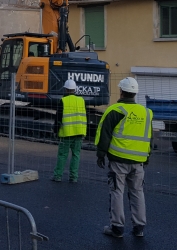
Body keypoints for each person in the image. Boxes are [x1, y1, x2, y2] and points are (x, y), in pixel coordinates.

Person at [95, 77, 153, 238]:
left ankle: (117, 227)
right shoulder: (146, 112)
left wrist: (101, 154)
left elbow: (104, 134)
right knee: (137, 192)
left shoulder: (116, 110)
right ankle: (139, 227)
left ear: (121, 91)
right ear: (135, 93)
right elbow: (149, 137)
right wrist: (147, 156)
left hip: (118, 160)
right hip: (139, 162)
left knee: (117, 192)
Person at [51, 79, 87, 183]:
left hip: (66, 133)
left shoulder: (63, 100)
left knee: (62, 155)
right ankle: (74, 177)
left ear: (66, 89)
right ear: (75, 89)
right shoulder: (81, 100)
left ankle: (58, 176)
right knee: (76, 155)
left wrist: (55, 131)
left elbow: (58, 118)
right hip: (79, 132)